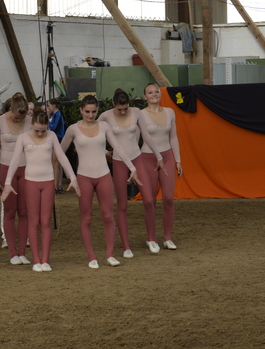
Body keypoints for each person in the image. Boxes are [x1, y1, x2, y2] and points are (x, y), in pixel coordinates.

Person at [61, 95, 142, 268]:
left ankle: (110, 254)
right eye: (87, 112)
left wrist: (132, 167)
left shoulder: (104, 126)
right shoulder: (73, 129)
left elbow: (117, 147)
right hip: (84, 177)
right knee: (86, 218)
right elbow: (60, 153)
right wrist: (70, 176)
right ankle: (91, 257)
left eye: (93, 112)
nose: (90, 115)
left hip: (104, 175)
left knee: (107, 215)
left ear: (97, 110)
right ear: (81, 110)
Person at [1, 108, 80, 272]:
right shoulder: (23, 137)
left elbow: (61, 156)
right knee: (33, 221)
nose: (39, 134)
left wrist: (72, 177)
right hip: (31, 182)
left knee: (46, 221)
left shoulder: (51, 136)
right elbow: (15, 160)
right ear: (30, 124)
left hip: (48, 182)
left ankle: (45, 259)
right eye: (37, 130)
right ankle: (36, 260)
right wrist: (8, 182)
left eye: (43, 131)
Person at [98, 89, 165, 258]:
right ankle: (126, 246)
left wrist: (158, 156)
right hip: (119, 162)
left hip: (137, 158)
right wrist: (105, 152)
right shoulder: (105, 116)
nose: (123, 112)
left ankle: (151, 238)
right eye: (119, 109)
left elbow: (146, 136)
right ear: (113, 104)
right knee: (122, 205)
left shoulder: (136, 112)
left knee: (149, 199)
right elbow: (95, 135)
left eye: (125, 108)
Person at [138, 83, 182, 253]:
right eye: (150, 92)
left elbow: (173, 138)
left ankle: (167, 238)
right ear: (145, 97)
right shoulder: (140, 114)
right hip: (147, 159)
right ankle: (151, 238)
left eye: (156, 91)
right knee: (149, 201)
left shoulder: (170, 112)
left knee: (169, 199)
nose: (154, 94)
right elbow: (135, 139)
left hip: (167, 158)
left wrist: (178, 160)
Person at [0, 93, 31, 266]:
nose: (18, 121)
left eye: (21, 118)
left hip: (27, 169)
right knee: (9, 210)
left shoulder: (30, 121)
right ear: (10, 110)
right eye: (15, 118)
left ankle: (22, 252)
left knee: (24, 211)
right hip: (6, 169)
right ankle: (12, 252)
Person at [46, 98, 65, 194]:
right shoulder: (53, 115)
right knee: (55, 163)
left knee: (55, 163)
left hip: (58, 139)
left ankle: (56, 186)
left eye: (49, 105)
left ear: (53, 106)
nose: (48, 107)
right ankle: (57, 185)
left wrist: (47, 120)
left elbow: (53, 127)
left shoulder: (58, 114)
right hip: (54, 139)